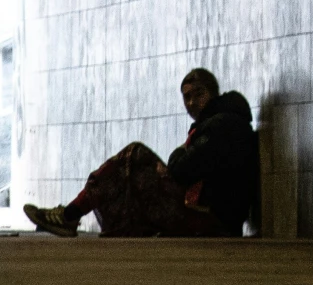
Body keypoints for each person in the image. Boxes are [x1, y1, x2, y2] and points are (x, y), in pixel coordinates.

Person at [25, 69, 257, 238]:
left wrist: (178, 154)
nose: (192, 102)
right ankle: (70, 215)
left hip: (211, 222)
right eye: (187, 97)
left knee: (134, 154)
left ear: (214, 93)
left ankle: (69, 215)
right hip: (208, 216)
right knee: (133, 172)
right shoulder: (216, 123)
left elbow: (181, 170)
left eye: (199, 94)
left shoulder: (224, 124)